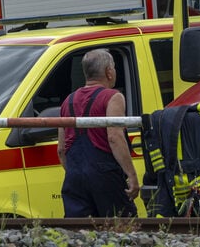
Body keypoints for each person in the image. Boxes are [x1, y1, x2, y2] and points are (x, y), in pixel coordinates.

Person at [57, 49, 140, 217]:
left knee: (79, 234)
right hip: (105, 175)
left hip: (74, 176)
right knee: (123, 228)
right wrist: (131, 175)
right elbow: (114, 137)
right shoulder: (113, 97)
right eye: (114, 68)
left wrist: (77, 173)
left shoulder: (68, 101)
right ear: (109, 72)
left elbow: (61, 149)